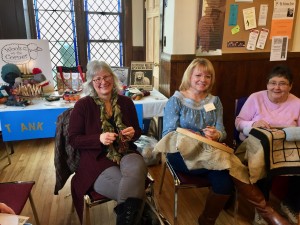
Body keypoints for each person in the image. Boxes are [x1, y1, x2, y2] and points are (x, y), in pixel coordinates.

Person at [68, 60, 147, 224]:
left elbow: (138, 132)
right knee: (135, 195)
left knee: (138, 166)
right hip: (96, 159)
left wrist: (133, 133)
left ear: (113, 77)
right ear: (91, 83)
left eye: (106, 76)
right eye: (97, 79)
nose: (103, 82)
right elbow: (73, 139)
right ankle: (147, 217)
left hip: (126, 152)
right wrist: (98, 138)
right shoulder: (83, 106)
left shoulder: (126, 102)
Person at [162, 58, 233, 225]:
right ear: (189, 77)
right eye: (198, 75)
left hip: (209, 153)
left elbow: (223, 132)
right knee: (226, 168)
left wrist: (217, 135)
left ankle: (206, 221)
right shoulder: (176, 100)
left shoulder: (215, 101)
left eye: (208, 76)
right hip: (181, 153)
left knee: (224, 183)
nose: (203, 79)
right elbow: (168, 134)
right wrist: (190, 135)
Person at [235, 64, 299, 225]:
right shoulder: (255, 98)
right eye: (273, 82)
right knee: (264, 162)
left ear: (290, 86)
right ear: (267, 84)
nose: (277, 87)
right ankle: (263, 208)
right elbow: (238, 122)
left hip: (287, 146)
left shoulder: (297, 103)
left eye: (283, 83)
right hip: (255, 145)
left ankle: (290, 204)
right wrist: (253, 124)